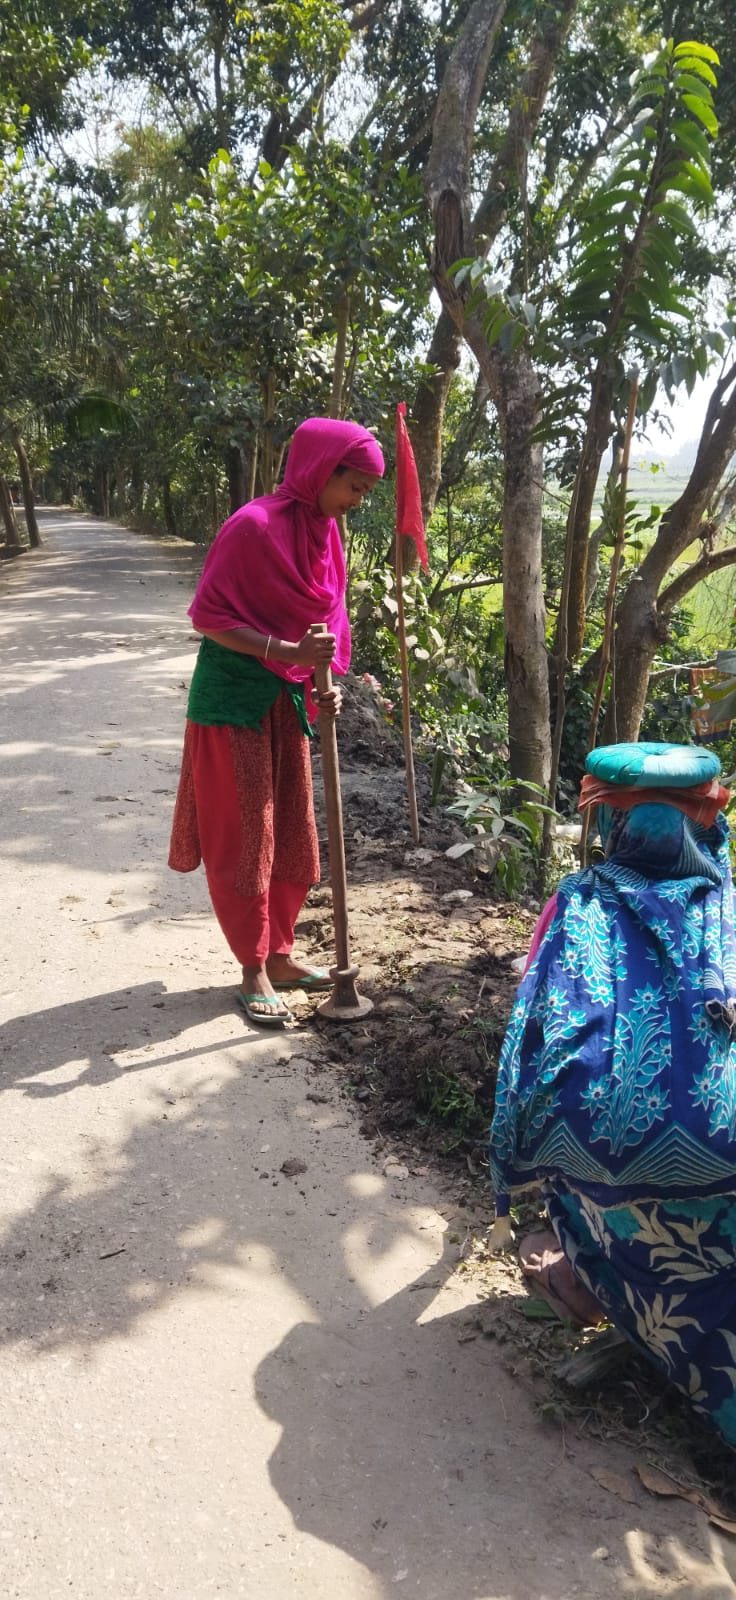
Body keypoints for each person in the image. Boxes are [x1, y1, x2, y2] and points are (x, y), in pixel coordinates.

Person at [489, 740, 736, 1447]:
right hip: (723, 1162)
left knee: (578, 1139)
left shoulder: (573, 908)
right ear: (706, 819)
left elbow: (533, 1027)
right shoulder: (729, 909)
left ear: (608, 823)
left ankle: (610, 1290)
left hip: (599, 1157)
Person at [168, 417, 385, 1026]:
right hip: (233, 701)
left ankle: (282, 953)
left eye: (366, 493)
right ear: (322, 470)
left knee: (292, 829)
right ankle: (252, 966)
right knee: (247, 837)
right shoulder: (252, 527)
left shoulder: (325, 535)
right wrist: (284, 654)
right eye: (355, 487)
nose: (356, 502)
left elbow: (327, 626)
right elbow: (208, 617)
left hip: (288, 701)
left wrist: (327, 688)